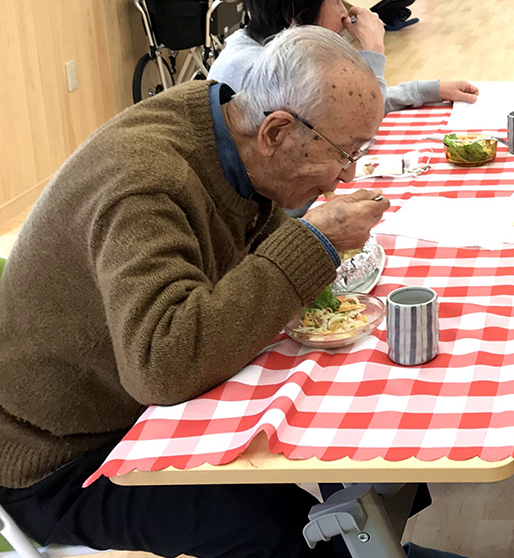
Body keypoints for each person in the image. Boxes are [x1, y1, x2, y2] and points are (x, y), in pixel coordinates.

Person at [0, 28, 395, 557]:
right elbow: (162, 366)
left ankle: (376, 543)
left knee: (343, 445)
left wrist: (305, 245)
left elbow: (243, 241)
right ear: (275, 131)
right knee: (273, 526)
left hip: (131, 407)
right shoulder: (145, 182)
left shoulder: (225, 127)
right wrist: (313, 241)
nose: (343, 178)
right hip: (60, 457)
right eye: (344, 155)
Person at [210, 0, 477, 111]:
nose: (343, 11)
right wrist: (373, 49)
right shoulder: (258, 71)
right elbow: (358, 118)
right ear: (296, 11)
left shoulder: (277, 49)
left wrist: (432, 90)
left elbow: (343, 102)